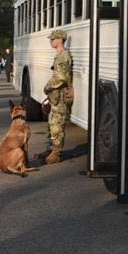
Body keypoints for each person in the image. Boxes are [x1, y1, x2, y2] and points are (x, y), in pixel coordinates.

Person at [41, 29, 73, 165]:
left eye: (53, 39)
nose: (51, 41)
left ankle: (56, 153)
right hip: (56, 96)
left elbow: (60, 78)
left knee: (57, 125)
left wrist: (47, 87)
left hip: (60, 97)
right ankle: (50, 149)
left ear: (60, 40)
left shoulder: (63, 56)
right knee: (52, 123)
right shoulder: (60, 55)